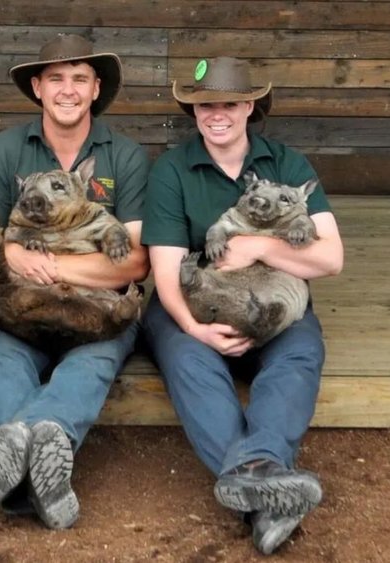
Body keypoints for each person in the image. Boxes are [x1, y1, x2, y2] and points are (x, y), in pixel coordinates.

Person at [141, 57, 344, 555]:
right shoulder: (172, 169)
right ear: (193, 110)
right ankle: (268, 487)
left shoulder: (289, 164)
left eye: (229, 103)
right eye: (206, 104)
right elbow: (165, 268)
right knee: (190, 363)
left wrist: (259, 248)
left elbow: (331, 258)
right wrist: (193, 327)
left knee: (297, 358)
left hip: (276, 302)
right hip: (198, 302)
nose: (217, 114)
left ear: (249, 106)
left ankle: (253, 475)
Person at [0, 34, 150, 529]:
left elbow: (135, 263)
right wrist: (15, 257)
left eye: (80, 78)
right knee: (7, 360)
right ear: (37, 87)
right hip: (19, 303)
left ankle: (23, 454)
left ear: (96, 89)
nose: (68, 90)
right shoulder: (6, 150)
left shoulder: (126, 156)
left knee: (91, 363)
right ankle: (39, 470)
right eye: (56, 78)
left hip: (96, 304)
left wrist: (52, 267)